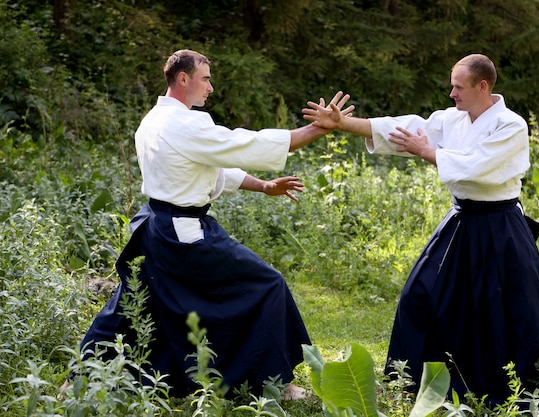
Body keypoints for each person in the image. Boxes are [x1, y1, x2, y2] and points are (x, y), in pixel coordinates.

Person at [63, 49, 353, 400]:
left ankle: (76, 377)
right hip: (182, 234)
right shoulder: (185, 124)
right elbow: (244, 145)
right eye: (206, 78)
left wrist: (263, 186)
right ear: (183, 79)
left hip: (154, 229)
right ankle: (276, 381)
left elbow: (206, 165)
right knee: (267, 285)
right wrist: (319, 128)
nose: (211, 87)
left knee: (132, 304)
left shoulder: (153, 120)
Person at [303, 54, 539, 404]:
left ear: (483, 86)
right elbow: (403, 129)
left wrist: (429, 152)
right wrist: (343, 123)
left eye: (458, 86)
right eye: (451, 85)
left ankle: (508, 393)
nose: (451, 93)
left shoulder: (510, 125)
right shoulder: (453, 120)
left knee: (500, 310)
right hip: (461, 220)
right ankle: (415, 384)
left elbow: (477, 167)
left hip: (500, 228)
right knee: (419, 296)